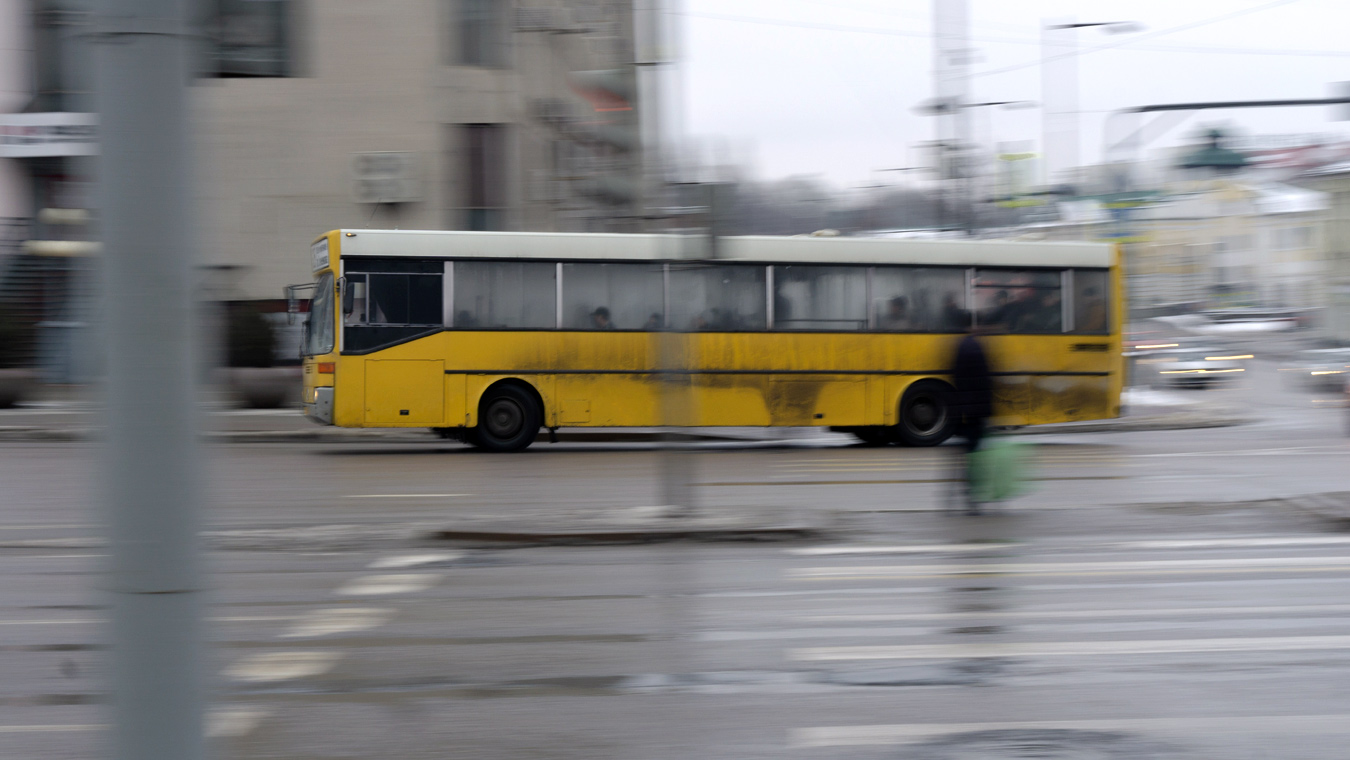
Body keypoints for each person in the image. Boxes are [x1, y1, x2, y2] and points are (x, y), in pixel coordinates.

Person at [951, 325, 993, 515]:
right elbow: (984, 381)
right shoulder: (976, 347)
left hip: (966, 409)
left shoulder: (962, 346)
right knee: (975, 455)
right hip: (978, 410)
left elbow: (958, 377)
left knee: (969, 454)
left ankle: (968, 497)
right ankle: (973, 498)